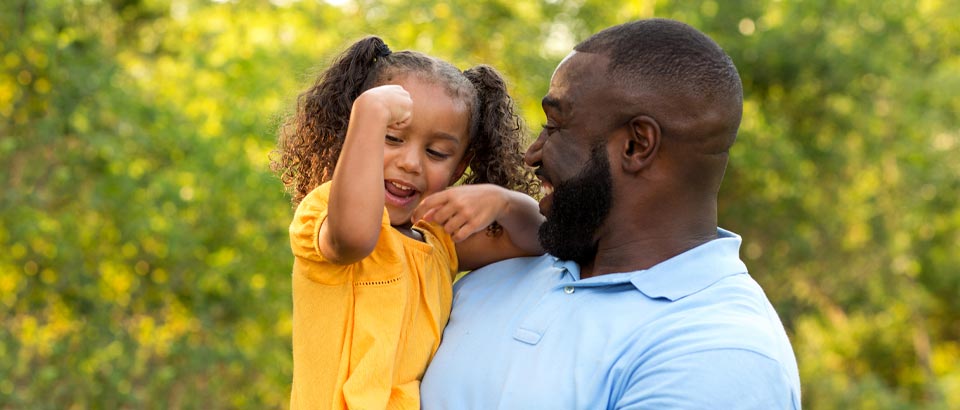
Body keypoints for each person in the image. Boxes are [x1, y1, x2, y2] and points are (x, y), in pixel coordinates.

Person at [421, 18, 801, 409]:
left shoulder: (719, 354)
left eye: (554, 127)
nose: (531, 155)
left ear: (637, 145)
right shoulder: (506, 264)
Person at [271, 36, 544, 409]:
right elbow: (354, 236)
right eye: (391, 137)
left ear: (459, 167)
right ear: (356, 138)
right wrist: (368, 114)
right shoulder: (324, 213)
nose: (411, 163)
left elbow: (538, 238)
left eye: (436, 152)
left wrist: (505, 202)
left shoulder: (437, 240)